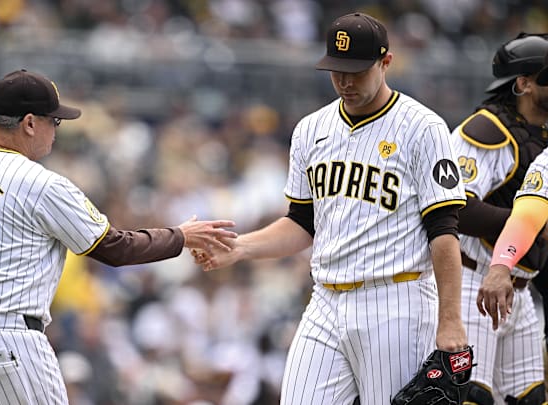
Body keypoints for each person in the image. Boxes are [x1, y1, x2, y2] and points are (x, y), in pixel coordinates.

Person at [193, 12, 467, 405]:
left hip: (395, 299)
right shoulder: (310, 129)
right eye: (337, 69)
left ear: (385, 62)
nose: (345, 81)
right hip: (325, 300)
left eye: (356, 70)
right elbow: (303, 223)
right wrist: (240, 248)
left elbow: (444, 231)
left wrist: (451, 319)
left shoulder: (423, 128)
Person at [0, 69, 238, 404]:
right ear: (29, 123)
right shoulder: (40, 183)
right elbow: (115, 249)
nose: (56, 131)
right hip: (7, 343)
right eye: (53, 121)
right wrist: (180, 236)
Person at [450, 33, 548, 404]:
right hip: (472, 281)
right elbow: (453, 207)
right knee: (470, 397)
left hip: (518, 289)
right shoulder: (486, 131)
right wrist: (528, 225)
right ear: (523, 83)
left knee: (531, 398)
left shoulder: (542, 134)